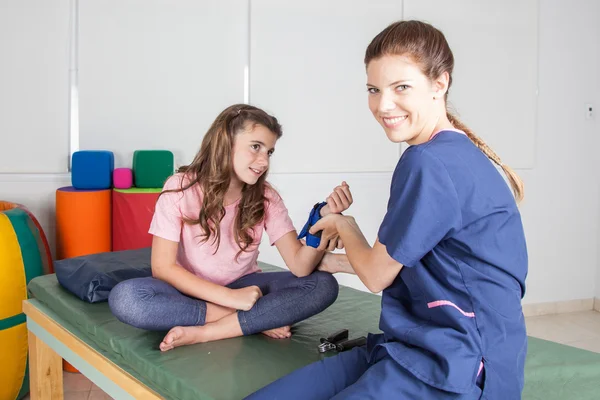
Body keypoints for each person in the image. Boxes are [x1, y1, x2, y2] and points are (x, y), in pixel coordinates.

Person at [246, 20, 528, 399]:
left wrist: (343, 226)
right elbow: (427, 266)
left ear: (439, 83)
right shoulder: (453, 153)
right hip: (412, 346)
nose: (383, 104)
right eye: (373, 89)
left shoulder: (428, 162)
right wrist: (334, 261)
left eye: (401, 88)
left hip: (455, 367)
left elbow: (378, 275)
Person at [109, 104, 351, 351]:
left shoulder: (267, 198)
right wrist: (234, 302)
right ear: (225, 142)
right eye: (256, 147)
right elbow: (162, 268)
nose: (264, 161)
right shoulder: (179, 188)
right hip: (186, 290)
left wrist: (321, 222)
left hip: (243, 286)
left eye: (269, 152)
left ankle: (208, 332)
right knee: (127, 299)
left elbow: (300, 266)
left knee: (323, 285)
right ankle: (251, 319)